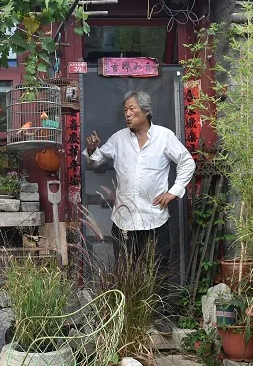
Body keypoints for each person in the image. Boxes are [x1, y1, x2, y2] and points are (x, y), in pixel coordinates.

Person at [84, 90, 196, 264]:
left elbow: (187, 162)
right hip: (124, 221)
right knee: (126, 271)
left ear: (145, 110)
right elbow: (94, 162)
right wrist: (92, 149)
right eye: (125, 110)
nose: (127, 114)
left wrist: (173, 191)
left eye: (132, 109)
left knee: (157, 271)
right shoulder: (118, 138)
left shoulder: (164, 136)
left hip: (155, 219)